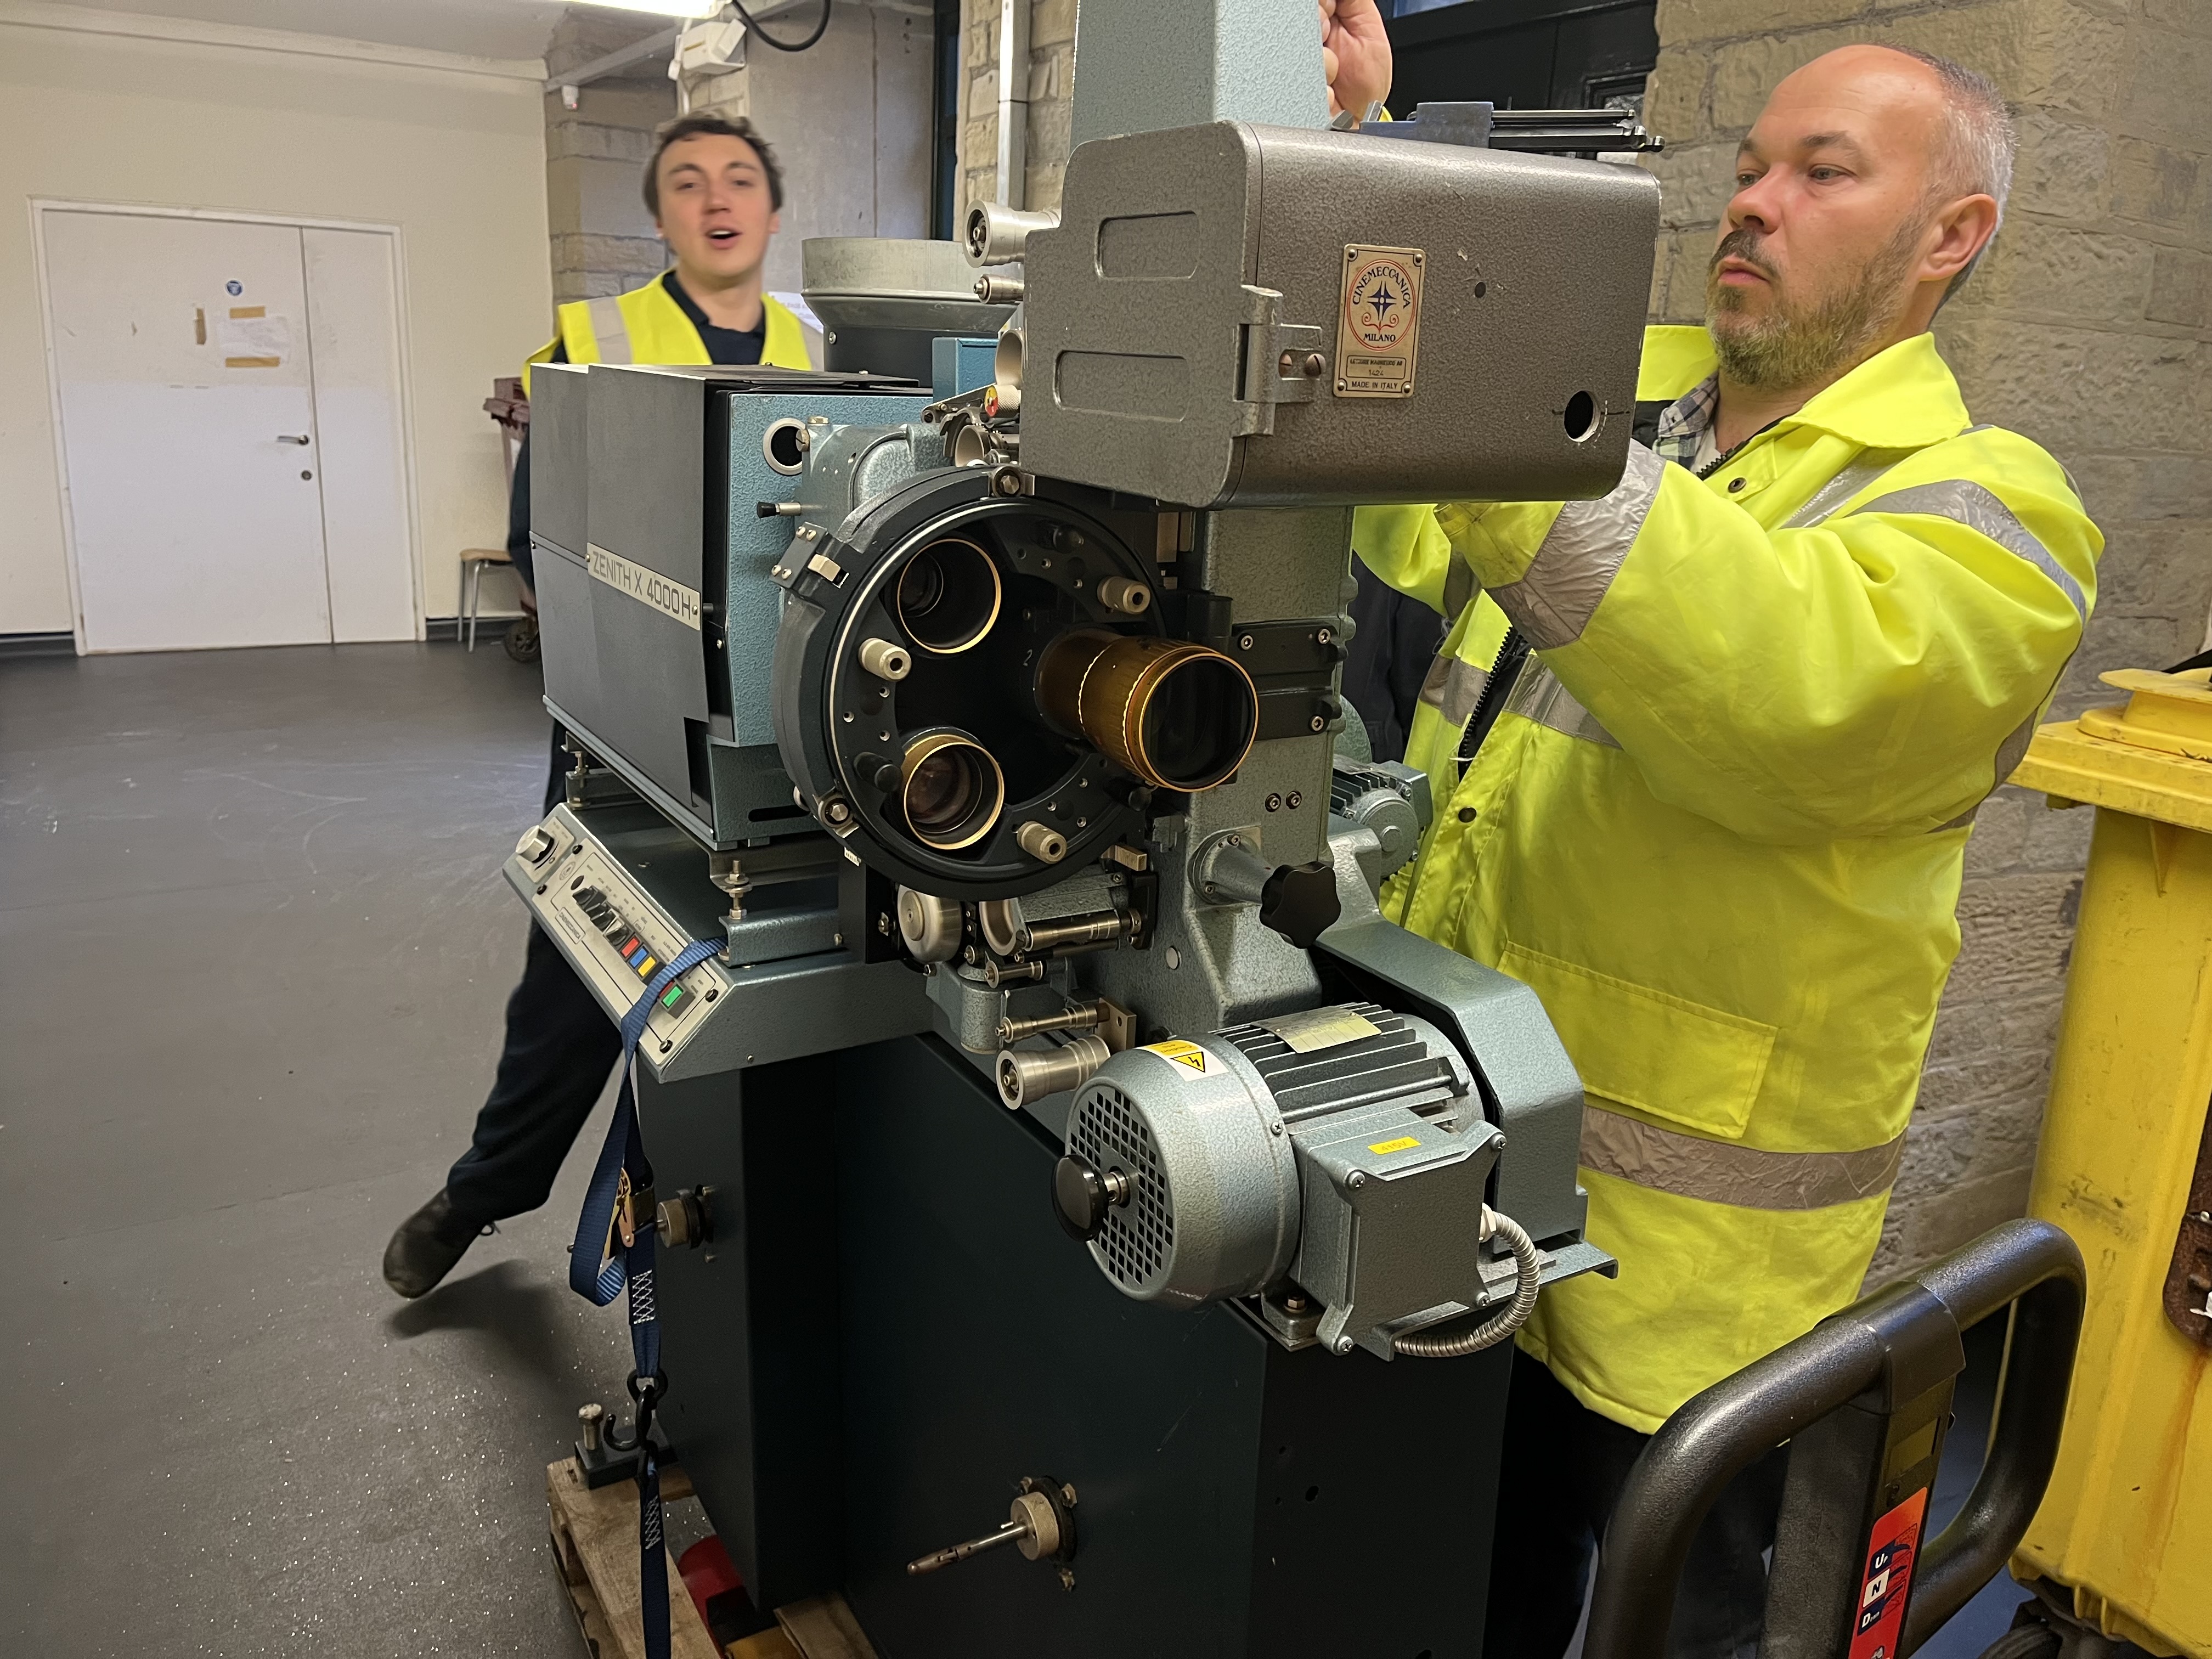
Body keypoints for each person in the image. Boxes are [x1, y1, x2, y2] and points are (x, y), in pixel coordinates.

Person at [1347, 29, 2101, 1659]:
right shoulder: (1643, 430)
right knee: (1445, 1603)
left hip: (1683, 1295)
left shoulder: (1992, 515)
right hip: (1459, 1190)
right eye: (1752, 166)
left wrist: (1519, 424)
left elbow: (1783, 693)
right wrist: (1353, 145)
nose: (1753, 203)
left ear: (1949, 238)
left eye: (1825, 173)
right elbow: (1393, 482)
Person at [383, 112, 814, 1299]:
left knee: (786, 974)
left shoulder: (825, 346)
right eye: (687, 183)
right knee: (582, 970)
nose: (716, 200)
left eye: (739, 180)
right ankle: (482, 1195)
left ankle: (740, 1243)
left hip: (773, 730)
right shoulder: (596, 338)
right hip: (621, 726)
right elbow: (541, 536)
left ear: (771, 212)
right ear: (661, 216)